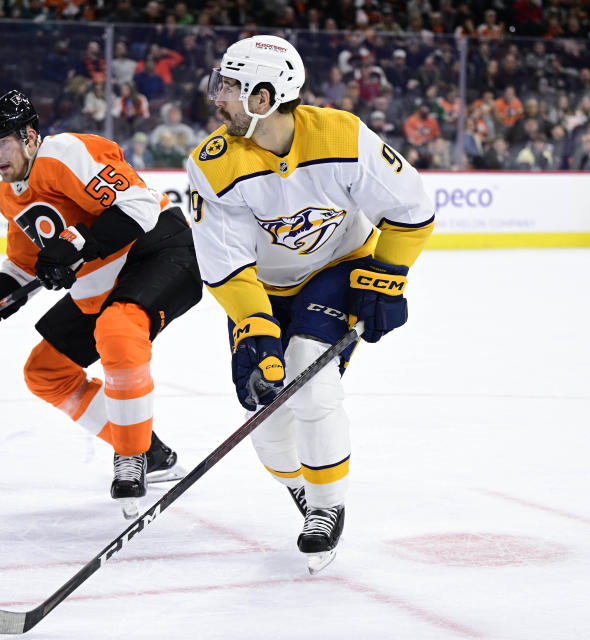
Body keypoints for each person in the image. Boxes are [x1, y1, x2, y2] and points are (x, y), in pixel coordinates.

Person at [186, 35, 434, 573]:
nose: (217, 98)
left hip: (336, 268)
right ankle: (305, 490)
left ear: (265, 96)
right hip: (260, 290)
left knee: (309, 378)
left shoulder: (341, 135)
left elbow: (411, 207)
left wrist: (388, 275)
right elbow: (225, 263)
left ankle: (327, 506)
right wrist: (255, 328)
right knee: (267, 414)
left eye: (230, 87)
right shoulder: (212, 164)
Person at [0, 90, 201, 518]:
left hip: (157, 251)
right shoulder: (10, 195)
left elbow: (138, 206)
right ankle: (149, 452)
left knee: (118, 331)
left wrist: (75, 244)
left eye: (2, 143)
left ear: (30, 136)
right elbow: (25, 268)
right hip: (102, 278)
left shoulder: (64, 153)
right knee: (45, 372)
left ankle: (130, 455)